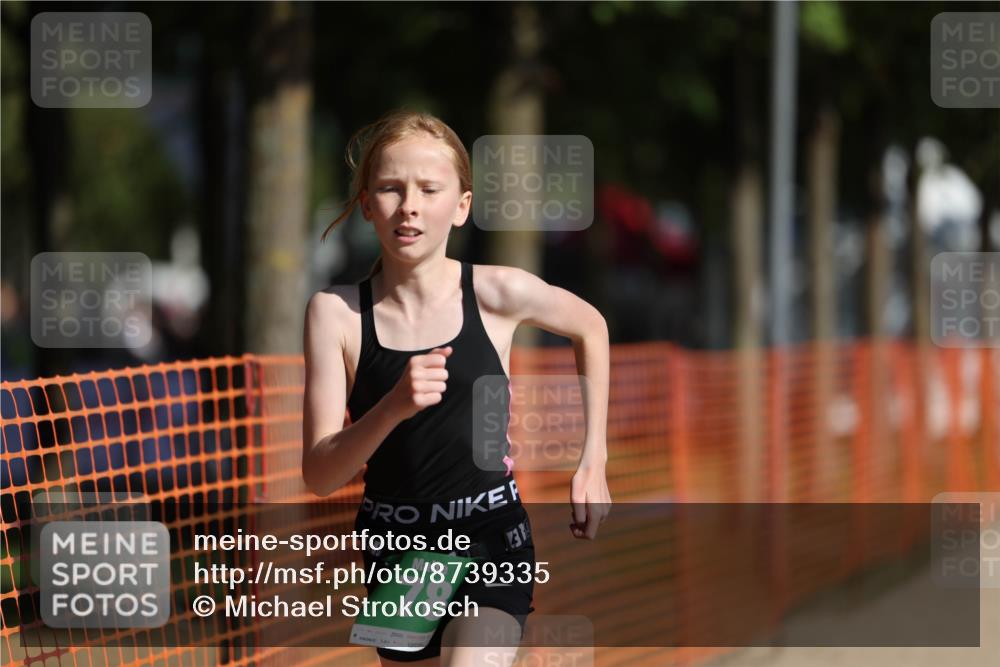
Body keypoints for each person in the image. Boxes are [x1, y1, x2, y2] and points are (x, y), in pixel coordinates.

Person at [302, 109, 611, 666]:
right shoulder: (337, 314)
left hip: (489, 533)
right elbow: (321, 474)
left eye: (429, 189)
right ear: (368, 204)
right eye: (391, 189)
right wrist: (393, 406)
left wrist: (593, 460)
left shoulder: (496, 292)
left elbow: (591, 326)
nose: (410, 205)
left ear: (462, 206)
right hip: (396, 549)